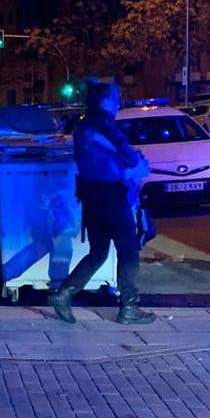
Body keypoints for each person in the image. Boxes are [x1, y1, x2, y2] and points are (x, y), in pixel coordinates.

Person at [49, 81, 155, 326]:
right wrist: (139, 166)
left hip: (90, 198)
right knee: (129, 252)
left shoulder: (82, 126)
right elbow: (129, 160)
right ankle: (129, 307)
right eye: (116, 99)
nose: (118, 104)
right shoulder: (107, 127)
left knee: (98, 253)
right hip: (113, 198)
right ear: (106, 101)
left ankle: (64, 294)